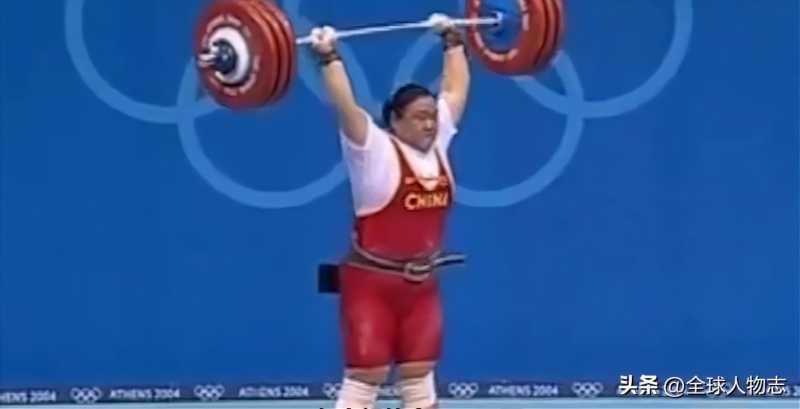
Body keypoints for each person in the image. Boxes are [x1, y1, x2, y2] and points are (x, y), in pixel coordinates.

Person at [310, 13, 470, 409]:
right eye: (419, 117)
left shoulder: (438, 144)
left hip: (421, 287)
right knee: (366, 378)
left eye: (432, 117)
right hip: (371, 287)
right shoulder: (372, 150)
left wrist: (453, 41)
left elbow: (455, 90)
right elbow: (345, 106)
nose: (430, 124)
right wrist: (329, 57)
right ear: (395, 121)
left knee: (419, 377)